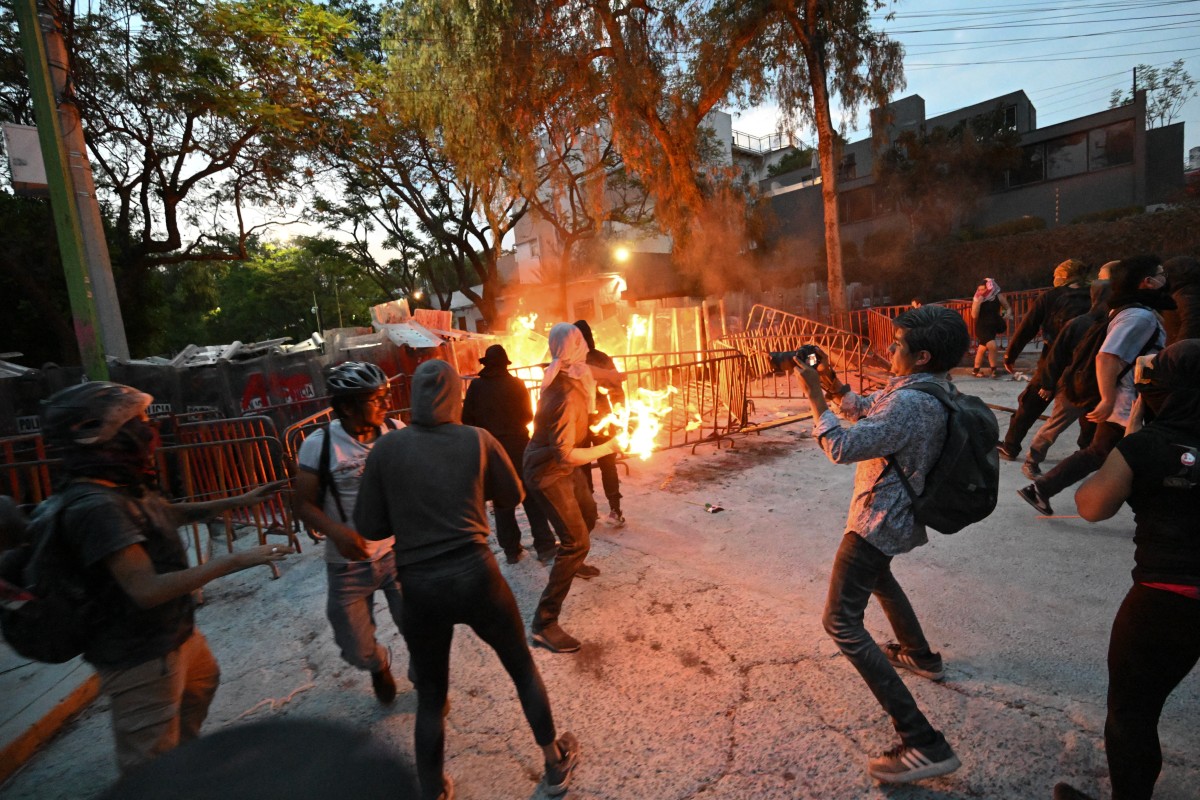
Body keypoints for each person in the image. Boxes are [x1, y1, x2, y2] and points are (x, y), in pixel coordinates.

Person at [34, 381, 292, 773]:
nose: (149, 429)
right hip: (140, 656)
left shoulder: (120, 485)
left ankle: (183, 778)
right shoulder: (96, 507)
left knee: (200, 690)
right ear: (102, 436)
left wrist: (240, 500)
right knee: (148, 763)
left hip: (173, 634)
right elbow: (146, 589)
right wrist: (237, 560)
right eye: (137, 421)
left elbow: (166, 514)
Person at [354, 360, 579, 800]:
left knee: (431, 695)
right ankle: (554, 763)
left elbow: (370, 526)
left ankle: (432, 789)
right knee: (521, 668)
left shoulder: (386, 449)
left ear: (414, 398)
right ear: (456, 397)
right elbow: (512, 494)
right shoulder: (476, 439)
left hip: (419, 585)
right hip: (477, 575)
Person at [795, 305, 970, 784]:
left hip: (878, 521)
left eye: (898, 344)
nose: (890, 348)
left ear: (922, 355)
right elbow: (869, 410)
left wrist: (813, 397)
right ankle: (920, 655)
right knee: (880, 578)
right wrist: (831, 382)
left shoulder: (913, 402)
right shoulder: (926, 387)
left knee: (840, 621)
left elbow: (842, 446)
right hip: (894, 516)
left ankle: (922, 742)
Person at [1053, 340, 1200, 800]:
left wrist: (1128, 443)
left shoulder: (1147, 446)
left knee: (1133, 713)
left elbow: (1091, 506)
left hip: (1167, 598)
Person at [1018, 256, 1171, 515]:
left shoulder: (1134, 311)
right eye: (1161, 274)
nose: (1165, 278)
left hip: (1130, 401)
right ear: (1146, 282)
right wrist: (1108, 399)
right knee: (1123, 455)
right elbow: (1107, 356)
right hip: (1128, 403)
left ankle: (1041, 488)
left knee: (1098, 452)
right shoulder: (1139, 316)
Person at [295, 361, 406, 704]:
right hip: (348, 564)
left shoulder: (396, 432)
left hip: (398, 555)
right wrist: (337, 533)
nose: (386, 404)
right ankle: (377, 664)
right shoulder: (319, 444)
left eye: (386, 395)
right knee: (355, 646)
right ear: (346, 406)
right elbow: (302, 504)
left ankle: (428, 684)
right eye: (376, 398)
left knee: (421, 627)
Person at [524, 323, 622, 654]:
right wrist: (607, 448)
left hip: (564, 466)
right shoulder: (565, 393)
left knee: (589, 512)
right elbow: (565, 453)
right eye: (581, 342)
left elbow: (597, 372)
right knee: (576, 541)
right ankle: (544, 623)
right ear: (575, 349)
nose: (586, 347)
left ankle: (574, 563)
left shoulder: (573, 372)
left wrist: (615, 379)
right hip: (548, 471)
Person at [461, 344, 556, 564]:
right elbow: (528, 416)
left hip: (492, 450)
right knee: (531, 497)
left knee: (502, 500)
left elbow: (467, 420)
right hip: (519, 447)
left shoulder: (476, 387)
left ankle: (511, 550)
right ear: (505, 364)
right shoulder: (517, 384)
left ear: (487, 364)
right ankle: (545, 546)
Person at [997, 258, 1092, 461]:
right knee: (1086, 405)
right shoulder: (1097, 296)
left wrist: (1010, 355)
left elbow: (1028, 327)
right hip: (1086, 361)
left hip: (1052, 360)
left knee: (1030, 404)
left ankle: (1011, 445)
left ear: (1064, 276)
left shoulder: (1051, 297)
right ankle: (1088, 450)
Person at [1021, 281, 1112, 480]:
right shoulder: (1079, 323)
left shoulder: (1114, 322)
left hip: (1098, 387)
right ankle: (1032, 459)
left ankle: (1085, 459)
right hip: (1074, 386)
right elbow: (1057, 355)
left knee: (1092, 428)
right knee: (1055, 426)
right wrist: (1048, 383)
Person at [573, 319, 627, 526]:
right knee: (607, 464)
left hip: (584, 420)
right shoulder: (601, 357)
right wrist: (620, 412)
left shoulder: (574, 361)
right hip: (601, 418)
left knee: (584, 465)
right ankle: (614, 509)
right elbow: (617, 389)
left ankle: (590, 509)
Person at [970, 278, 1011, 378]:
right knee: (992, 346)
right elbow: (974, 315)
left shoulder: (998, 296)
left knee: (982, 349)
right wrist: (979, 303)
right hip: (982, 327)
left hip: (992, 326)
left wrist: (1006, 314)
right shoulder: (977, 298)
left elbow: (1007, 307)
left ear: (989, 288)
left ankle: (975, 371)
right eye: (979, 290)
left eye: (983, 289)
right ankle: (994, 370)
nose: (981, 292)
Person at [1162, 255, 1200, 345]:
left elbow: (1192, 324)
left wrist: (1177, 350)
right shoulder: (1183, 294)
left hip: (1183, 350)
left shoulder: (1186, 295)